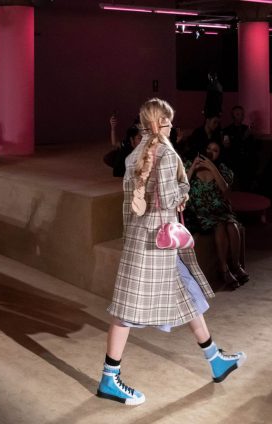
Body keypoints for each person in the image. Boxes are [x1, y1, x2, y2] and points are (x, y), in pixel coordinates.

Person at [97, 98, 246, 406]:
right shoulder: (165, 154)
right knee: (126, 311)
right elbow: (168, 199)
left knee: (187, 296)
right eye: (169, 122)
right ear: (159, 123)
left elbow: (132, 205)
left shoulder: (134, 155)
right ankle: (109, 379)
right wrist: (184, 190)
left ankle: (215, 359)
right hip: (155, 247)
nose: (172, 127)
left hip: (145, 243)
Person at [184, 141, 248, 289]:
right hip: (200, 211)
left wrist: (212, 167)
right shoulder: (189, 165)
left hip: (220, 209)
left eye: (215, 150)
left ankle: (236, 266)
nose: (210, 152)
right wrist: (193, 167)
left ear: (220, 154)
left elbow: (225, 189)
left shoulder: (222, 169)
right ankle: (224, 269)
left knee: (232, 225)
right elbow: (182, 186)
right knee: (219, 225)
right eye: (208, 148)